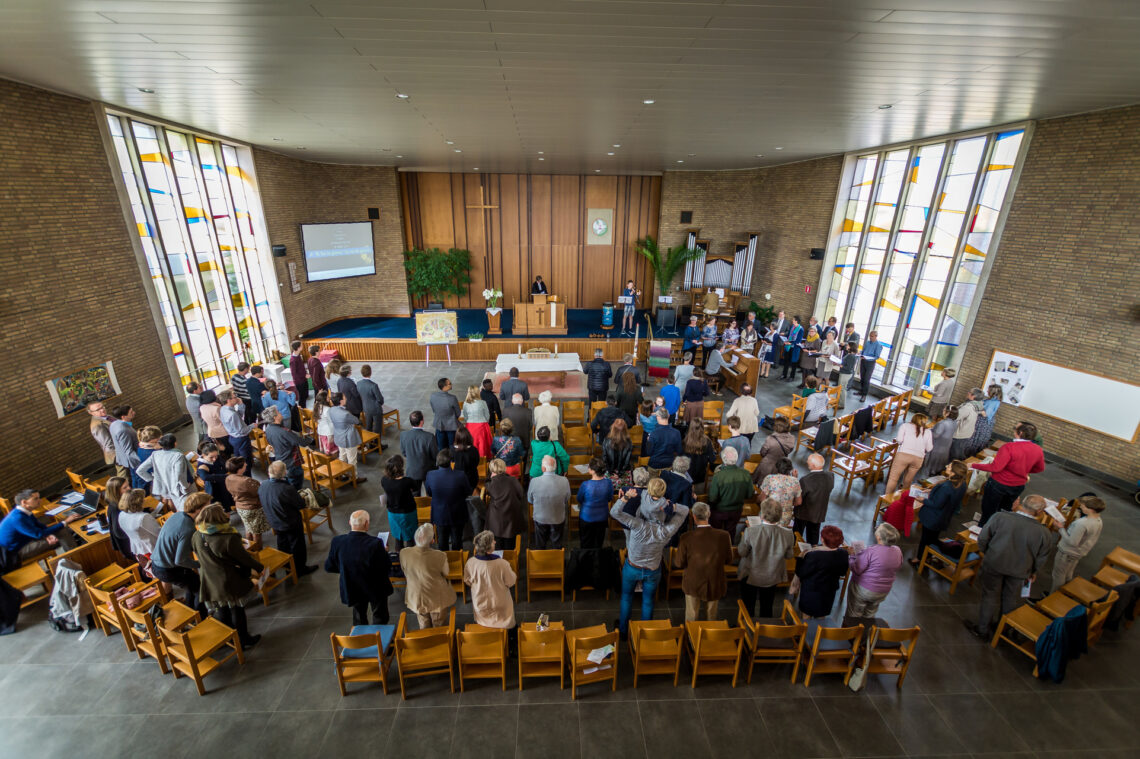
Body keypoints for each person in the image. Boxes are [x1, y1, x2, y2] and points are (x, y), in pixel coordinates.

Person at [965, 495, 1053, 639]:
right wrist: (1033, 571)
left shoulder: (1000, 517)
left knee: (990, 595)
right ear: (1040, 512)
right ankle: (1003, 629)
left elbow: (983, 538)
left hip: (994, 563)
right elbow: (1041, 557)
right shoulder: (1044, 533)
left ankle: (982, 629)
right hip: (1020, 570)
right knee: (1010, 598)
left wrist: (988, 553)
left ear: (1022, 504)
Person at [611, 481, 689, 635]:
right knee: (648, 602)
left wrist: (626, 497)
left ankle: (624, 631)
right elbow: (685, 510)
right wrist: (672, 507)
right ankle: (644, 633)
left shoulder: (636, 524)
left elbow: (614, 512)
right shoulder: (666, 530)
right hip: (652, 569)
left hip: (632, 566)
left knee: (626, 598)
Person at [192, 503, 263, 649]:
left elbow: (196, 552)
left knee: (222, 610)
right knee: (237, 610)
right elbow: (243, 558)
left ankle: (229, 639)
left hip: (209, 578)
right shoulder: (228, 538)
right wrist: (259, 567)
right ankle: (243, 639)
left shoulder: (197, 535)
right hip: (228, 580)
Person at [325, 510, 393, 625]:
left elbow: (329, 566)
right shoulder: (375, 544)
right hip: (375, 587)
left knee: (358, 615)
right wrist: (384, 552)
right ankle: (380, 637)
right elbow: (386, 566)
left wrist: (347, 569)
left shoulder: (337, 541)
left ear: (349, 523)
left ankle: (361, 639)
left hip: (352, 586)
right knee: (379, 614)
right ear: (367, 524)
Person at [973, 421, 1045, 525]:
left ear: (1020, 433)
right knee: (1004, 510)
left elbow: (996, 467)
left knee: (989, 510)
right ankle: (997, 529)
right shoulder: (1038, 449)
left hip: (999, 484)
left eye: (1015, 429)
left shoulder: (1009, 447)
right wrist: (1024, 470)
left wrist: (974, 465)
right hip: (1017, 485)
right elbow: (1039, 468)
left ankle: (982, 531)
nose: (1014, 431)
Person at [151, 491, 209, 614]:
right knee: (200, 588)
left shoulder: (178, 515)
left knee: (191, 583)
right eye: (207, 507)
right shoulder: (188, 528)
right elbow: (180, 560)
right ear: (199, 510)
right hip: (168, 569)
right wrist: (200, 564)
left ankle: (191, 611)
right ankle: (201, 618)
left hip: (157, 564)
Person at [674, 501, 732, 621]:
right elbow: (729, 559)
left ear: (693, 516)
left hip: (693, 581)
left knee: (692, 615)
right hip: (715, 580)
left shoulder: (686, 537)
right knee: (712, 615)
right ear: (709, 514)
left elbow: (679, 563)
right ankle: (708, 638)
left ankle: (690, 638)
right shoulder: (724, 535)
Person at [737, 498, 795, 618]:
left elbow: (742, 552)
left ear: (762, 515)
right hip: (772, 574)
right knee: (767, 605)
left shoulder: (751, 531)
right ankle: (765, 631)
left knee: (748, 606)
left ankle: (748, 630)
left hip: (751, 574)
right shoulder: (788, 533)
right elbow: (789, 555)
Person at [259, 460, 318, 575]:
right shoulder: (286, 489)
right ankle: (300, 569)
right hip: (290, 522)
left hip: (274, 520)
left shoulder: (263, 485)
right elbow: (300, 504)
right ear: (284, 473)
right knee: (297, 545)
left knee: (283, 542)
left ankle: (286, 564)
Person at [911, 460, 969, 567]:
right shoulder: (962, 484)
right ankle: (928, 555)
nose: (947, 466)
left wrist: (922, 500)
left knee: (925, 539)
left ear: (953, 473)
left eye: (949, 467)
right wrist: (932, 492)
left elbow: (936, 504)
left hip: (933, 517)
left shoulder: (946, 487)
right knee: (933, 537)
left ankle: (919, 559)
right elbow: (947, 498)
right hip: (944, 516)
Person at [401, 523, 457, 628]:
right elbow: (446, 573)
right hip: (436, 595)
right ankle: (442, 640)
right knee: (439, 623)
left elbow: (405, 570)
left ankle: (427, 641)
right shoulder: (440, 555)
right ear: (432, 541)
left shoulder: (404, 553)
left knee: (423, 623)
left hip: (417, 595)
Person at [845, 523, 903, 618]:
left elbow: (856, 569)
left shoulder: (871, 551)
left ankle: (851, 631)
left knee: (854, 615)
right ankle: (867, 631)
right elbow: (897, 566)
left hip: (863, 589)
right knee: (869, 615)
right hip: (882, 592)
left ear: (879, 538)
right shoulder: (898, 550)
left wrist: (852, 556)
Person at [0, 490, 79, 560]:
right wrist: (65, 522)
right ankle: (78, 558)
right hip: (16, 551)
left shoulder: (24, 511)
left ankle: (76, 555)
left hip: (27, 539)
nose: (40, 500)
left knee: (61, 532)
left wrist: (47, 535)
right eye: (35, 499)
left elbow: (39, 525)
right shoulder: (17, 518)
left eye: (39, 498)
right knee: (62, 535)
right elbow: (38, 534)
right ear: (24, 502)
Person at [1050, 495, 1106, 592]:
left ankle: (1052, 597)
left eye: (1083, 506)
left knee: (1058, 575)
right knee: (1068, 573)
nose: (1081, 507)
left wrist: (1060, 528)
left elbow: (1072, 542)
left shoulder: (1082, 523)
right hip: (1079, 552)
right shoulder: (1098, 520)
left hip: (1067, 552)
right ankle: (1064, 593)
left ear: (1091, 509)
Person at [464, 530, 517, 630]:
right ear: (488, 547)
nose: (495, 542)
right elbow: (511, 581)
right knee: (505, 624)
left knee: (484, 624)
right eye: (493, 541)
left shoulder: (471, 562)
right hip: (499, 603)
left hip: (480, 603)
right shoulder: (502, 564)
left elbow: (467, 580)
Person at [795, 525, 848, 618]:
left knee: (806, 617)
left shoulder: (814, 555)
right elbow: (843, 572)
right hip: (828, 592)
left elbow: (801, 572)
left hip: (811, 592)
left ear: (822, 539)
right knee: (821, 617)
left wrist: (800, 558)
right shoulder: (843, 553)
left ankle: (806, 632)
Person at [424, 449, 472, 551]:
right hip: (457, 512)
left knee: (442, 540)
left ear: (438, 462)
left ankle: (443, 562)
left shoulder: (430, 475)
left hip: (439, 513)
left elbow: (429, 492)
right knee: (457, 540)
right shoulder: (460, 475)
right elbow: (468, 491)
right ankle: (457, 561)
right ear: (451, 462)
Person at [137, 432, 197, 512]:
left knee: (173, 502)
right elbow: (179, 474)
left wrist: (153, 479)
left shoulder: (155, 454)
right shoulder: (178, 456)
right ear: (175, 443)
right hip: (178, 487)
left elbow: (140, 470)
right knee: (190, 505)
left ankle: (175, 515)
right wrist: (185, 486)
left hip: (164, 484)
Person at [225, 457, 268, 551]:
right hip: (252, 507)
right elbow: (258, 491)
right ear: (239, 469)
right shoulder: (246, 481)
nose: (246, 465)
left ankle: (249, 548)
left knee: (248, 527)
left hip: (240, 506)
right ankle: (258, 551)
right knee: (256, 531)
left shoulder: (228, 478)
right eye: (244, 464)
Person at [706, 446, 752, 536]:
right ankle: (729, 547)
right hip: (737, 510)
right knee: (731, 531)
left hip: (719, 511)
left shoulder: (718, 476)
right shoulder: (745, 474)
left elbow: (712, 498)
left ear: (723, 459)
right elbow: (749, 495)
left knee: (716, 532)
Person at [528, 455, 571, 549]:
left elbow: (530, 500)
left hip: (540, 518)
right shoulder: (564, 481)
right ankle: (556, 558)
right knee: (557, 543)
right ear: (555, 467)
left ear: (543, 468)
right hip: (558, 517)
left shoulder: (534, 481)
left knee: (540, 543)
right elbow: (567, 498)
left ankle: (541, 557)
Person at [884, 413, 933, 495]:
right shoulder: (928, 432)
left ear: (913, 419)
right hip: (918, 459)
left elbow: (899, 440)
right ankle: (903, 500)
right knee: (908, 481)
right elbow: (929, 448)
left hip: (903, 455)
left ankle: (886, 500)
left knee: (893, 479)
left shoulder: (905, 426)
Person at [484, 458, 526, 550]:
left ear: (491, 470)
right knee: (511, 547)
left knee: (497, 547)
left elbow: (486, 482)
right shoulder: (513, 480)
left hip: (496, 521)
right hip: (512, 518)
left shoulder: (490, 483)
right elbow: (521, 494)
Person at [379, 456, 418, 552]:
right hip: (407, 512)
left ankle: (399, 557)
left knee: (398, 536)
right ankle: (410, 557)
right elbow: (415, 488)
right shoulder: (407, 481)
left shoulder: (384, 480)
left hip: (392, 513)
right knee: (410, 537)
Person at [261, 407, 306, 490]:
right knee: (296, 486)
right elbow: (300, 442)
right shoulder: (284, 431)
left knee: (287, 483)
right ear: (275, 417)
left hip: (280, 458)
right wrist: (309, 439)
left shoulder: (268, 429)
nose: (281, 413)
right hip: (292, 462)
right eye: (278, 412)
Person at [794, 453, 834, 546]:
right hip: (819, 512)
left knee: (797, 533)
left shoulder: (805, 480)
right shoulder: (830, 476)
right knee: (813, 535)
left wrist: (795, 479)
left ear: (813, 465)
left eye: (808, 460)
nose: (807, 462)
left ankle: (796, 550)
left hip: (803, 513)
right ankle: (812, 551)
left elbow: (800, 497)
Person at [576, 457, 614, 549]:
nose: (588, 468)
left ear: (593, 471)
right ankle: (596, 560)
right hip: (602, 517)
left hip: (587, 517)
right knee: (598, 543)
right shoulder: (608, 483)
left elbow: (579, 499)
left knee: (585, 543)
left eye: (589, 467)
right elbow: (609, 498)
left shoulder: (585, 484)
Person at [400, 410, 439, 494]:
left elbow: (404, 452)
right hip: (428, 471)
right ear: (422, 421)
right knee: (431, 493)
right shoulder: (429, 437)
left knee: (415, 495)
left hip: (412, 471)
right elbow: (435, 455)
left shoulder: (403, 435)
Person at [328, 392, 366, 477]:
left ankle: (343, 474)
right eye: (344, 398)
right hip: (348, 438)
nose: (346, 399)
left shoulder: (331, 410)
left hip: (338, 435)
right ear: (341, 401)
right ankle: (354, 477)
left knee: (342, 455)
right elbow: (356, 421)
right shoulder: (345, 414)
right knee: (352, 459)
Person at [117, 488, 161, 558]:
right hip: (152, 550)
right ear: (138, 502)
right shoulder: (143, 517)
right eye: (143, 499)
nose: (144, 500)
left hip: (139, 551)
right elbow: (159, 533)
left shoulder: (121, 514)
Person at [761, 458, 802, 527]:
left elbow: (762, 498)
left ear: (777, 467)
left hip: (770, 514)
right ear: (790, 469)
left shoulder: (770, 478)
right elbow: (799, 502)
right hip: (785, 518)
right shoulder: (795, 481)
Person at [753, 417, 795, 484]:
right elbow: (789, 450)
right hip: (781, 466)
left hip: (767, 465)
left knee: (762, 482)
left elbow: (763, 452)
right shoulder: (792, 438)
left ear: (776, 427)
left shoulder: (770, 439)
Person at [101, 476, 132, 561]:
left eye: (128, 485)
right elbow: (118, 532)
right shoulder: (115, 508)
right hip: (128, 545)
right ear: (116, 492)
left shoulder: (120, 501)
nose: (129, 488)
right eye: (125, 488)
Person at [195, 441, 233, 509]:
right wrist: (226, 476)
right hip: (215, 490)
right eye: (211, 457)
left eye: (216, 456)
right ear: (203, 455)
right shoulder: (202, 465)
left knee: (227, 504)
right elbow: (205, 477)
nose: (214, 459)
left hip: (223, 485)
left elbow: (223, 465)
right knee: (220, 508)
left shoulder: (216, 457)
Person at [949, 388, 983, 462]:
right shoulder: (978, 405)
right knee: (960, 451)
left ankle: (953, 468)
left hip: (960, 433)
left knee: (955, 453)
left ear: (973, 396)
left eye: (969, 392)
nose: (967, 392)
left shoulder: (968, 407)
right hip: (967, 432)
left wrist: (949, 413)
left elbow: (956, 416)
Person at [968, 384, 1003, 457]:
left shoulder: (993, 402)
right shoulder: (992, 400)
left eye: (989, 390)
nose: (987, 391)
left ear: (993, 391)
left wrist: (974, 408)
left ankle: (972, 454)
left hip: (983, 423)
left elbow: (985, 414)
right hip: (982, 421)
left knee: (977, 438)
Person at [218, 389, 253, 462]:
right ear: (228, 400)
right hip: (241, 439)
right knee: (246, 461)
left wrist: (240, 405)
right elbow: (242, 430)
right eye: (234, 397)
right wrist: (252, 426)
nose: (237, 398)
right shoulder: (232, 414)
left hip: (232, 437)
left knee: (238, 459)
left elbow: (239, 416)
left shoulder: (223, 408)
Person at [682, 421, 715, 494]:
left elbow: (682, 458)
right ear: (702, 428)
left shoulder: (685, 441)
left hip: (688, 474)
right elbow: (712, 459)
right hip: (701, 474)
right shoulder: (707, 441)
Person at [109, 405, 141, 481]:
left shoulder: (114, 423)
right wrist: (141, 460)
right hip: (130, 461)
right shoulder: (122, 430)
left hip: (122, 458)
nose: (134, 413)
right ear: (123, 417)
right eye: (131, 412)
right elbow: (128, 450)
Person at [198, 389, 230, 461]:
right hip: (222, 431)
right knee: (227, 449)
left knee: (219, 448)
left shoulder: (202, 407)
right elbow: (224, 420)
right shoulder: (216, 408)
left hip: (211, 431)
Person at [430, 377, 462, 450]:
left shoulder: (433, 396)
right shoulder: (452, 398)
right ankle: (452, 460)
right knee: (452, 445)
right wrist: (453, 418)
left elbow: (433, 409)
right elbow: (458, 412)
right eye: (449, 384)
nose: (451, 385)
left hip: (439, 424)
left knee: (440, 446)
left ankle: (442, 460)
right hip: (451, 425)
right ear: (445, 387)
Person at [925, 406, 956, 477]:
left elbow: (935, 435)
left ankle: (931, 475)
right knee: (940, 461)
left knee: (934, 462)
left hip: (938, 445)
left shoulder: (942, 423)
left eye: (944, 410)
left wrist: (929, 431)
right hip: (946, 444)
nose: (943, 411)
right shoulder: (954, 422)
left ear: (948, 413)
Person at [462, 385, 493, 456]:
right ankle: (483, 460)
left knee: (472, 443)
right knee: (482, 444)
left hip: (470, 426)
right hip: (482, 426)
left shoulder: (465, 403)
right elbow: (487, 416)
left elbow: (465, 417)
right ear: (477, 392)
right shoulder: (482, 402)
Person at [602, 418, 633, 488]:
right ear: (625, 429)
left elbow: (604, 458)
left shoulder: (606, 440)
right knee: (627, 490)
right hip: (624, 472)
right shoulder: (629, 442)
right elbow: (627, 461)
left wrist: (611, 472)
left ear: (613, 428)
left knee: (606, 489)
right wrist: (620, 473)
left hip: (610, 472)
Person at [357, 365, 385, 438]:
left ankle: (370, 442)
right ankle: (377, 444)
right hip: (375, 409)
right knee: (377, 427)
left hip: (366, 407)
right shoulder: (373, 385)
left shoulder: (359, 383)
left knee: (368, 426)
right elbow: (380, 399)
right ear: (370, 373)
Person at [87, 401, 117, 467]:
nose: (102, 410)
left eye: (102, 407)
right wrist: (117, 458)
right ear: (91, 413)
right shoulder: (96, 425)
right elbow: (107, 443)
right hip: (118, 454)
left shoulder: (107, 416)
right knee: (124, 475)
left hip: (125, 448)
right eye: (98, 409)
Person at [450, 425, 480, 489]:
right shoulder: (474, 450)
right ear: (468, 437)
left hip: (457, 480)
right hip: (471, 479)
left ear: (457, 438)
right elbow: (476, 462)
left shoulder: (452, 450)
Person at [134, 425, 161, 491]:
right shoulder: (153, 452)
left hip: (144, 481)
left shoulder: (141, 447)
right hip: (153, 482)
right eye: (160, 439)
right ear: (153, 440)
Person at [858, 331, 882, 401]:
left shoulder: (878, 345)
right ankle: (861, 391)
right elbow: (864, 350)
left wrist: (867, 357)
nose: (870, 338)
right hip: (863, 361)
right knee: (862, 377)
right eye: (870, 336)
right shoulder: (867, 342)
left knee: (866, 379)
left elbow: (876, 356)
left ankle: (864, 395)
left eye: (872, 336)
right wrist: (860, 353)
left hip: (870, 363)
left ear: (876, 336)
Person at [835, 342, 858, 409]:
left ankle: (841, 404)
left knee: (842, 389)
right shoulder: (850, 354)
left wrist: (840, 365)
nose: (846, 346)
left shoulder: (851, 356)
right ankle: (839, 402)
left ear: (851, 347)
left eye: (848, 345)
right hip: (845, 373)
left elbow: (848, 367)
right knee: (842, 388)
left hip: (845, 374)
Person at [289, 341, 309, 410]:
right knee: (302, 398)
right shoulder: (293, 360)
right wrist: (304, 376)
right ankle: (302, 412)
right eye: (301, 346)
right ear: (298, 347)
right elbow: (294, 374)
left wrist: (305, 372)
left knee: (305, 396)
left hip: (303, 379)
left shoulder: (298, 356)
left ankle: (305, 409)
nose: (302, 347)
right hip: (299, 382)